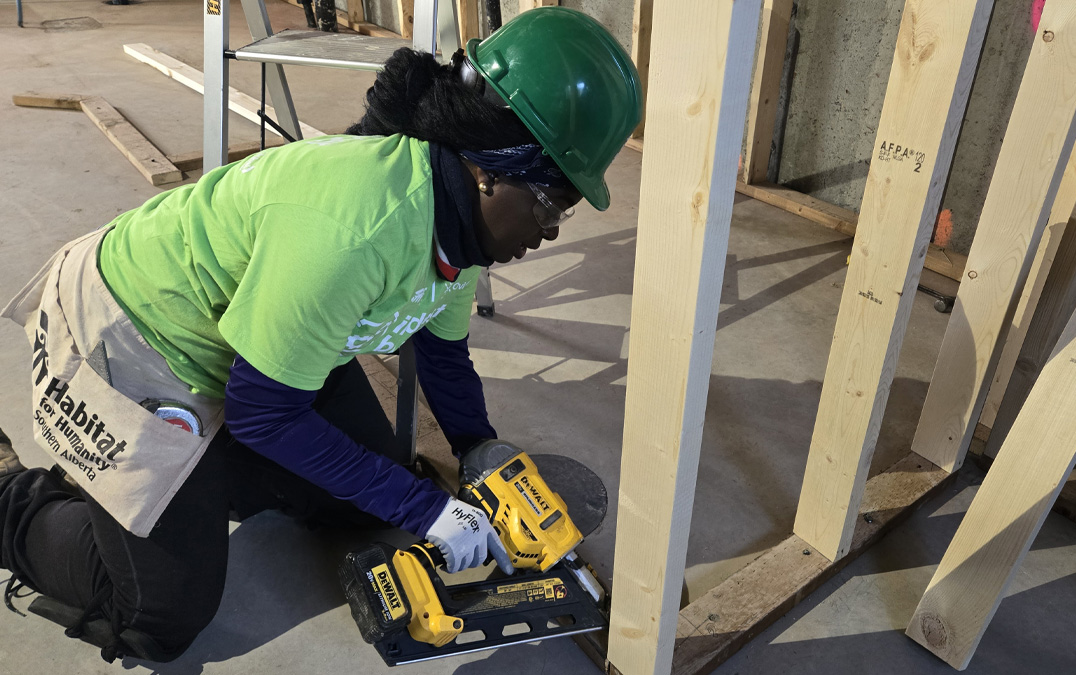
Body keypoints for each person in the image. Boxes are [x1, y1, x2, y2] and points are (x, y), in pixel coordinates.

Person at [0, 7, 640, 664]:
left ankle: (196, 470)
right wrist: (429, 509)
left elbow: (443, 354)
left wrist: (478, 445)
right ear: (490, 172)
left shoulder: (459, 226)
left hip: (248, 344)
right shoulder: (357, 231)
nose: (555, 228)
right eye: (553, 201)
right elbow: (263, 411)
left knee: (365, 500)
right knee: (160, 614)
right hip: (142, 332)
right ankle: (11, 495)